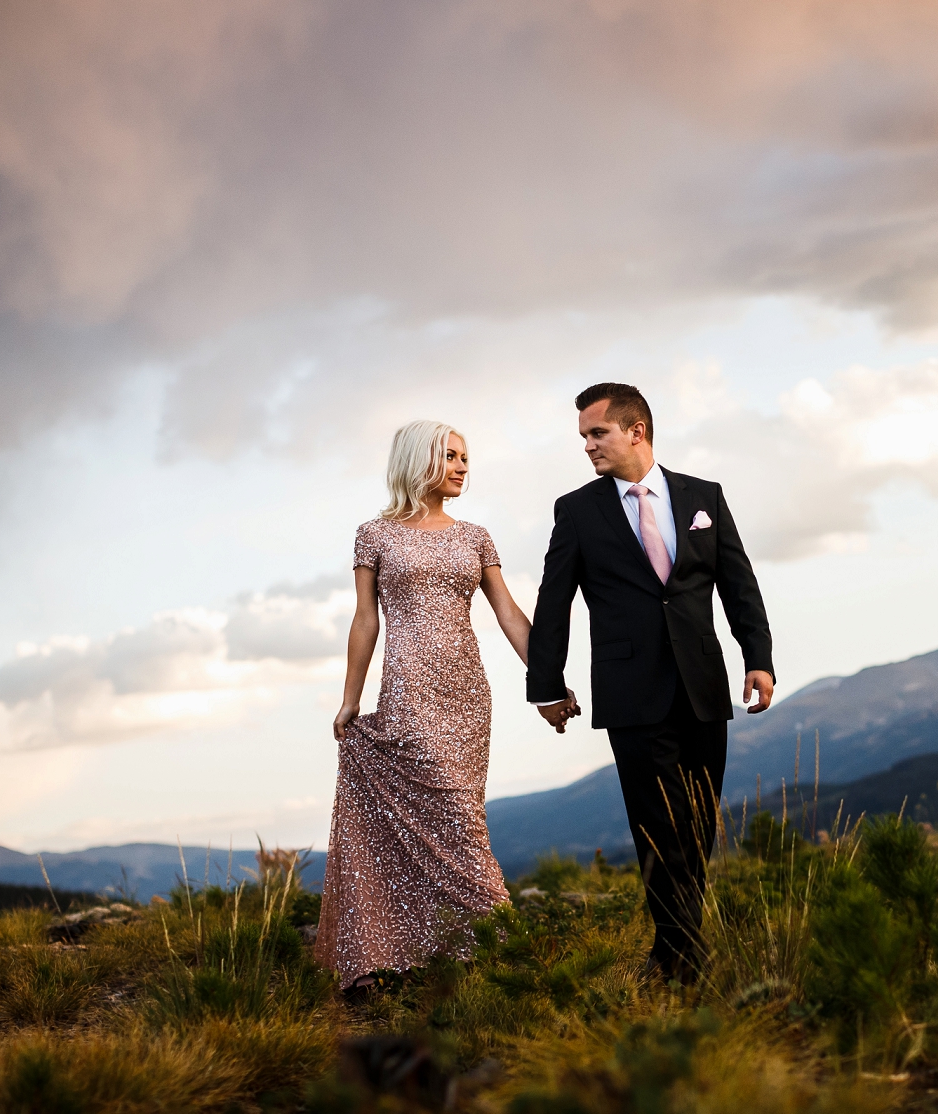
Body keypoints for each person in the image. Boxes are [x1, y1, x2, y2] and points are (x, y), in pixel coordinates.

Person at [316, 420, 576, 992]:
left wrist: (548, 684)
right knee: (451, 824)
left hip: (466, 694)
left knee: (462, 818)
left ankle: (454, 958)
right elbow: (366, 619)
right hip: (408, 689)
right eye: (451, 456)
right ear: (419, 461)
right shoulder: (374, 534)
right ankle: (505, 948)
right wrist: (350, 699)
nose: (462, 467)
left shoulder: (475, 535)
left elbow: (509, 614)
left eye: (466, 458)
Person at [527, 383, 774, 983]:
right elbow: (553, 601)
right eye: (584, 437)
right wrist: (547, 685)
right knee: (658, 828)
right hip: (630, 693)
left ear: (636, 430)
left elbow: (738, 584)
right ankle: (689, 962)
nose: (587, 446)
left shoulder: (703, 496)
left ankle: (668, 954)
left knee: (695, 823)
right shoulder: (577, 511)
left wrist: (758, 659)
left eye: (597, 433)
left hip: (704, 688)